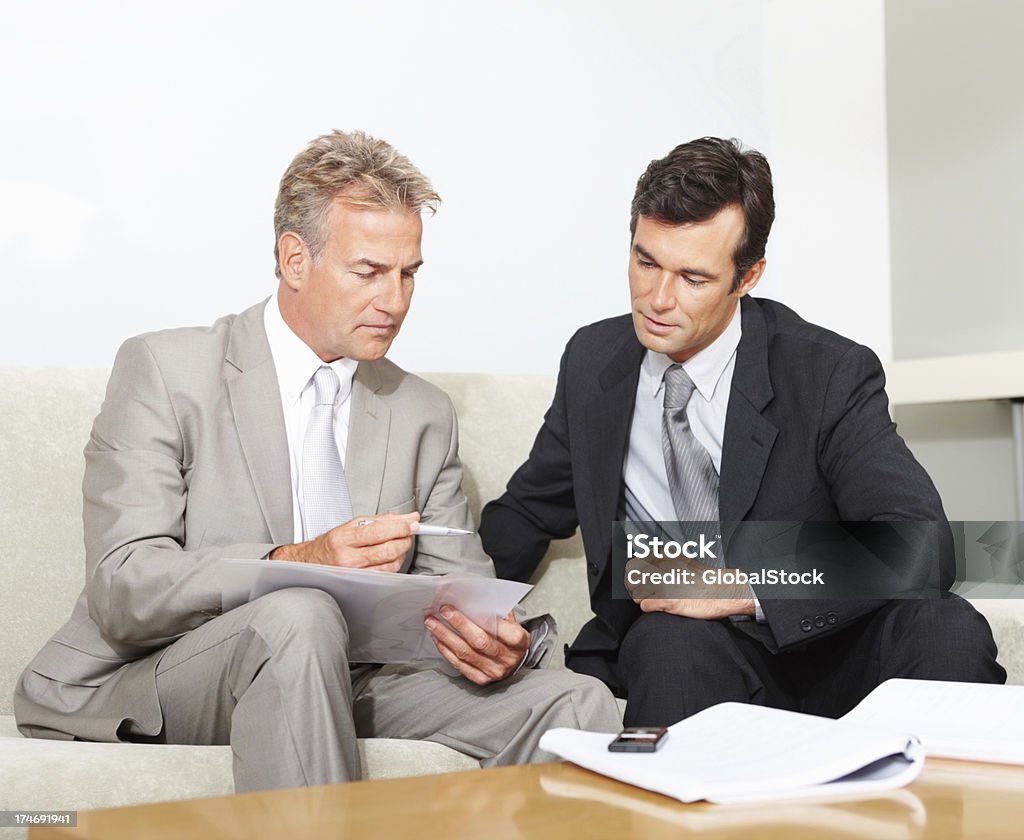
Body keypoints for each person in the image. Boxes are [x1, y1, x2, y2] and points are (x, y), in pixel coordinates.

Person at [14, 130, 620, 791]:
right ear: (294, 260)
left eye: (408, 273)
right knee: (296, 616)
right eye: (368, 271)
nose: (394, 300)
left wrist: (499, 642)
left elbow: (461, 590)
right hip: (173, 670)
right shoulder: (166, 369)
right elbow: (125, 588)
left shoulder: (422, 411)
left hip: (355, 676)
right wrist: (299, 563)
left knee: (578, 702)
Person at [479, 136, 1005, 727]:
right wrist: (450, 603)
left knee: (948, 627)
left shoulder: (826, 371)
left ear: (747, 276)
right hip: (688, 650)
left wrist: (746, 582)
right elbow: (526, 515)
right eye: (646, 260)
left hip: (834, 648)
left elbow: (919, 545)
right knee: (668, 640)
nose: (657, 299)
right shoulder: (593, 362)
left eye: (693, 278)